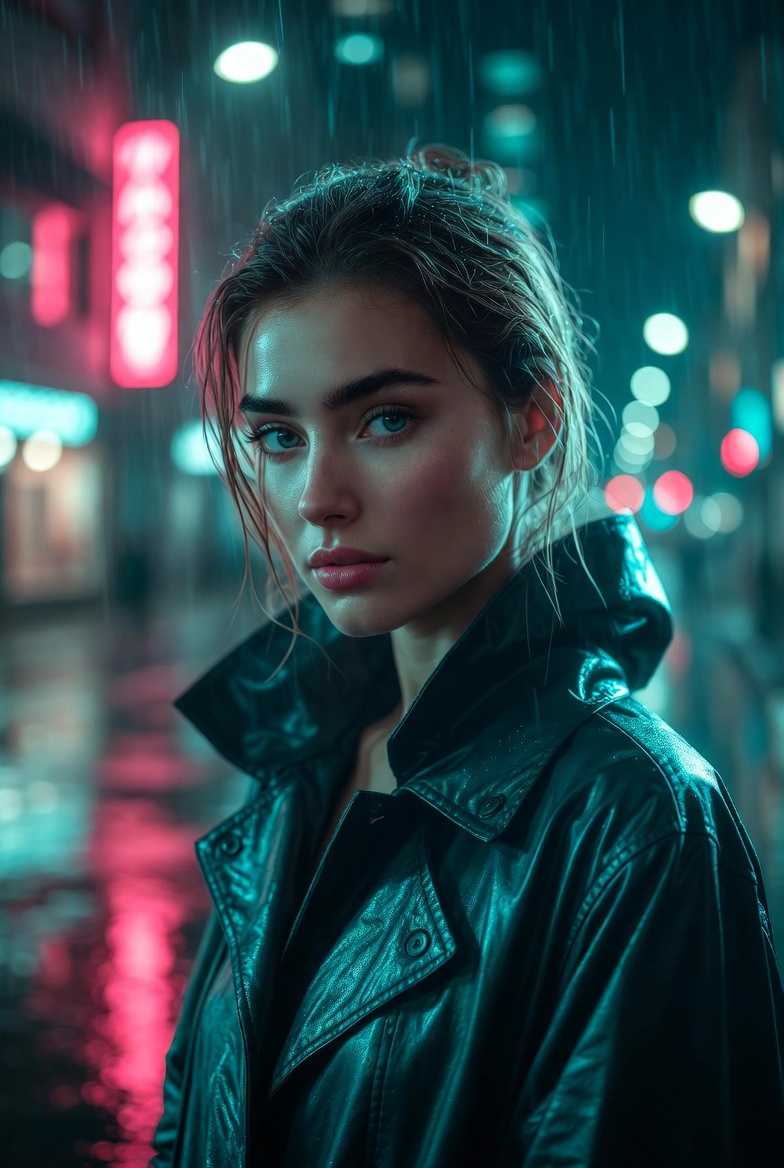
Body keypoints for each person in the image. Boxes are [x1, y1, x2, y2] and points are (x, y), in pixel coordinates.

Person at [152, 144, 784, 1167]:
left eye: (385, 419)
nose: (317, 497)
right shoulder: (298, 756)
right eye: (277, 437)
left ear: (528, 418)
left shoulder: (634, 818)